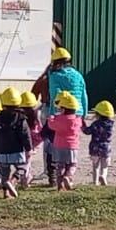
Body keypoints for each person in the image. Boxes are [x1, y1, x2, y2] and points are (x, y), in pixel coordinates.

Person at [34, 48, 88, 186]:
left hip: (58, 112)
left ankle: (53, 175)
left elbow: (55, 95)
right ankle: (68, 173)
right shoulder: (78, 75)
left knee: (52, 143)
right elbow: (83, 96)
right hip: (77, 113)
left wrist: (53, 115)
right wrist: (83, 114)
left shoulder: (54, 76)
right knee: (71, 141)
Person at [0, 90, 34, 198]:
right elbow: (25, 135)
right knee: (23, 167)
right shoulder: (21, 118)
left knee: (4, 172)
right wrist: (29, 149)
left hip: (1, 151)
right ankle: (13, 181)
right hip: (16, 150)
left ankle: (6, 194)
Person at [43, 90, 85, 191]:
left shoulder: (58, 119)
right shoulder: (77, 120)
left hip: (58, 146)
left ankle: (59, 185)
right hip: (72, 146)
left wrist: (50, 119)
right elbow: (81, 126)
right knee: (72, 164)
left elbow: (51, 126)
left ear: (63, 109)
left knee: (59, 166)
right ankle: (68, 176)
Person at [88, 100, 116, 185]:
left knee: (95, 166)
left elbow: (87, 131)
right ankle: (103, 176)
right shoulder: (111, 124)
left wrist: (82, 126)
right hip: (106, 147)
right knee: (105, 166)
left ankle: (95, 182)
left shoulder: (95, 124)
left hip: (95, 147)